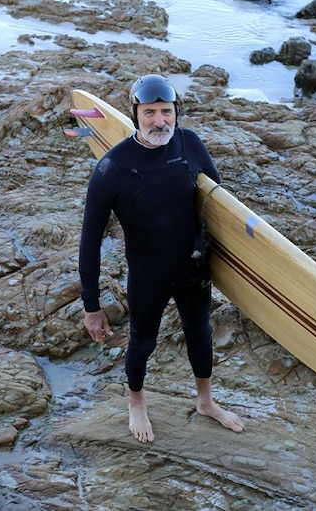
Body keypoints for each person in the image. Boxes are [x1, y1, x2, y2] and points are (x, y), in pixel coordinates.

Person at [78, 74, 244, 442]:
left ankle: (206, 401)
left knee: (200, 334)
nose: (159, 121)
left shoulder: (190, 144)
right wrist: (92, 306)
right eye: (149, 113)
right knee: (142, 341)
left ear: (175, 113)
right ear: (135, 115)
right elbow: (89, 240)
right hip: (148, 273)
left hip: (194, 268)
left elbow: (220, 207)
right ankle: (136, 402)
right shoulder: (112, 168)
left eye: (166, 112)